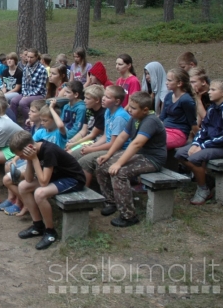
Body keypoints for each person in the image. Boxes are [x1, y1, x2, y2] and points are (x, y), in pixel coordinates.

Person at [96, 92, 167, 227]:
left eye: (133, 108)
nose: (129, 109)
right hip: (140, 155)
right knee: (102, 165)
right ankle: (112, 202)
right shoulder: (135, 117)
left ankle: (129, 215)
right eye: (129, 106)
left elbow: (137, 144)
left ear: (145, 110)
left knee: (120, 173)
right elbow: (122, 137)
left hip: (152, 159)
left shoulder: (150, 121)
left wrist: (118, 163)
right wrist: (109, 155)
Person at [11, 130, 86, 250]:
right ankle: (38, 226)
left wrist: (34, 159)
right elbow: (29, 180)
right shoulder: (33, 152)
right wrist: (29, 159)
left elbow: (43, 182)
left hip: (72, 179)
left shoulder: (48, 151)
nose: (20, 158)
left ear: (30, 147)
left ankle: (50, 232)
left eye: (21, 155)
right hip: (56, 177)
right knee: (23, 186)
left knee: (40, 193)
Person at [176, 79, 223, 205]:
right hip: (210, 144)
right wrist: (196, 143)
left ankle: (203, 189)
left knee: (193, 158)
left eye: (213, 90)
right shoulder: (212, 109)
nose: (209, 92)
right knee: (180, 154)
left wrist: (203, 145)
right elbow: (204, 128)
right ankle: (207, 181)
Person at [72, 85, 131, 186]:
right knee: (74, 154)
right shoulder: (108, 111)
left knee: (85, 161)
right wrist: (92, 146)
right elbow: (105, 136)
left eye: (107, 97)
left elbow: (113, 143)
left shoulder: (119, 117)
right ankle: (73, 182)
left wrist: (91, 150)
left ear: (117, 102)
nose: (103, 98)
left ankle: (84, 190)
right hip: (108, 145)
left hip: (119, 149)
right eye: (104, 95)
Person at [159, 68, 197, 149]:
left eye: (169, 80)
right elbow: (162, 117)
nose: (166, 83)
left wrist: (198, 140)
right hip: (164, 129)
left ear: (179, 83)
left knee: (155, 142)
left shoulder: (186, 100)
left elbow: (193, 123)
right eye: (167, 80)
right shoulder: (168, 96)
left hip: (178, 133)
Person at [10, 49, 48, 128]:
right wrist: (24, 93)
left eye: (32, 57)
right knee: (13, 101)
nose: (29, 59)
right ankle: (12, 124)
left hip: (39, 94)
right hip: (26, 93)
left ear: (37, 57)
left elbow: (40, 88)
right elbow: (23, 83)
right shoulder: (26, 68)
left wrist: (28, 95)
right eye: (28, 57)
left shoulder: (42, 70)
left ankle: (30, 124)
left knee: (23, 102)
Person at [65, 84, 105, 152]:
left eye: (88, 99)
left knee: (69, 152)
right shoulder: (88, 110)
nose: (84, 101)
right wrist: (71, 141)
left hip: (95, 141)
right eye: (85, 98)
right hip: (86, 138)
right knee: (65, 146)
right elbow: (83, 131)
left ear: (97, 100)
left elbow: (92, 135)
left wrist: (74, 144)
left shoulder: (102, 114)